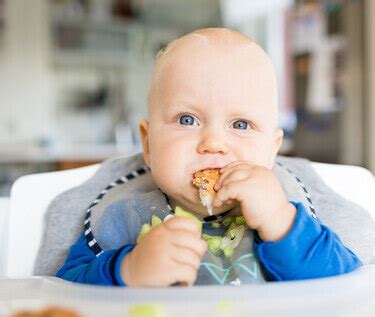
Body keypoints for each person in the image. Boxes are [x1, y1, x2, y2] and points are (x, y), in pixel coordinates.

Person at [45, 28, 369, 287]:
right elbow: (65, 288)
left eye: (240, 124)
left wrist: (281, 222)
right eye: (187, 120)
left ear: (272, 151)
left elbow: (345, 283)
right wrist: (128, 269)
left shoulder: (286, 212)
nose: (213, 143)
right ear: (148, 143)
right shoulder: (123, 216)